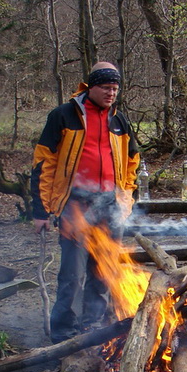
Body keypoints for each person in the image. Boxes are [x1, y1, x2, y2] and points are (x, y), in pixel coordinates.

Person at [30, 62, 140, 343]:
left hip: (110, 206)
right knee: (72, 274)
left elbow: (132, 163)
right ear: (90, 87)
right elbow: (44, 163)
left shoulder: (119, 121)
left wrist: (125, 197)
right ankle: (64, 333)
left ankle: (94, 327)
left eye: (115, 88)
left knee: (104, 271)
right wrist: (41, 210)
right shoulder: (64, 116)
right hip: (75, 205)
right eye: (106, 87)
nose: (111, 93)